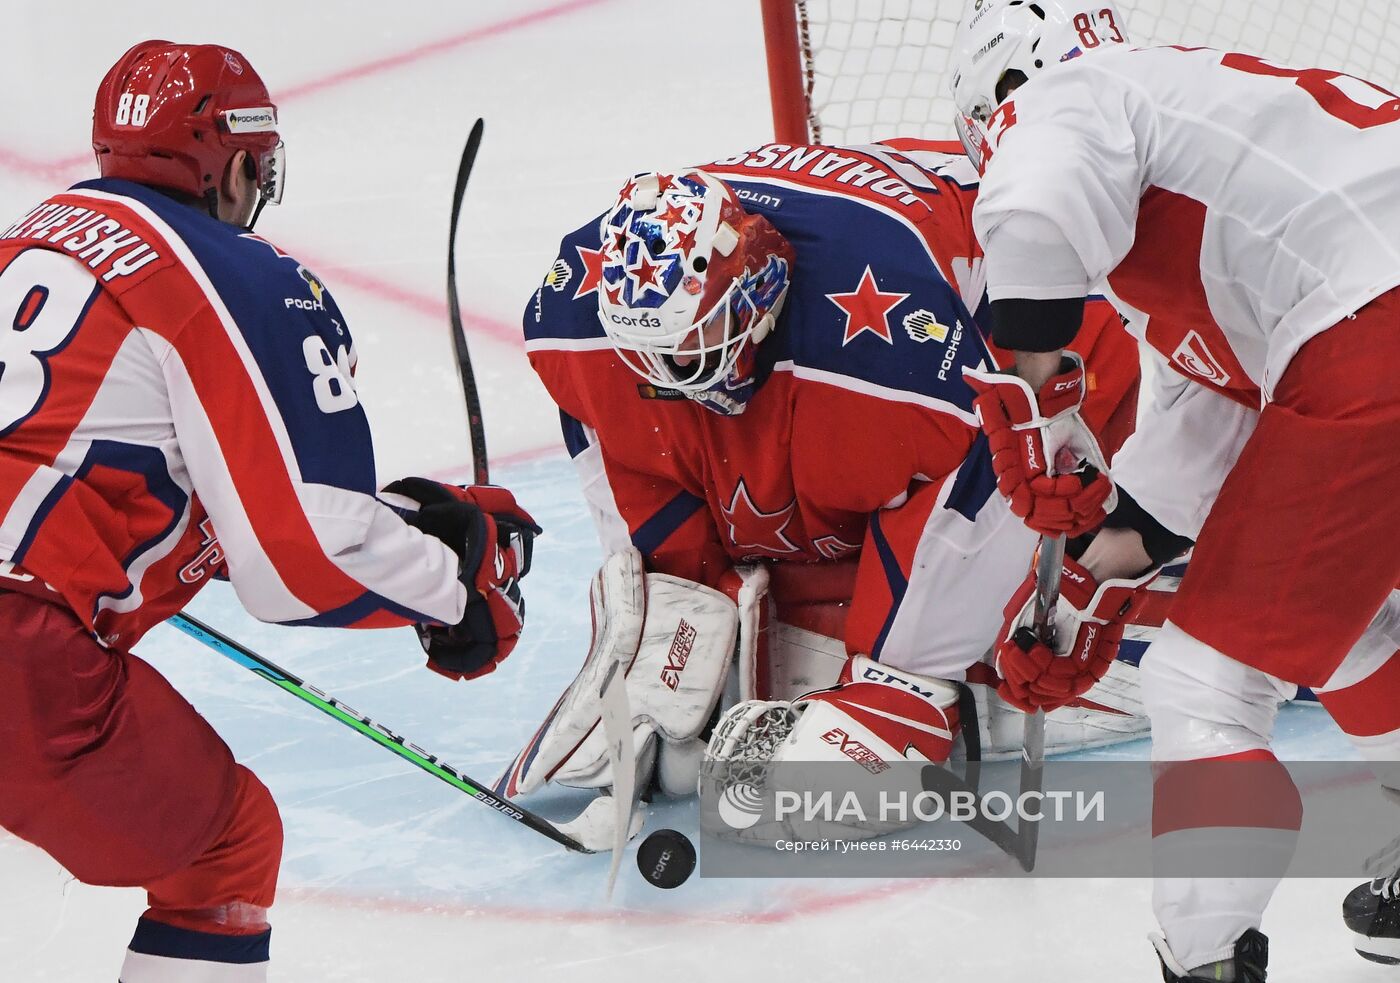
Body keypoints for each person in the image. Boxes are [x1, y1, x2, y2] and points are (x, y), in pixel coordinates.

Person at [0, 40, 538, 983]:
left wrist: (402, 524)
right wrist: (459, 587)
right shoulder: (238, 273)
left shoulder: (30, 237)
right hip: (18, 650)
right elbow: (299, 557)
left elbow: (152, 472)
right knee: (222, 847)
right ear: (238, 161)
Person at [495, 136, 1147, 824]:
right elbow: (604, 422)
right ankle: (682, 602)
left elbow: (1001, 440)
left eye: (692, 347)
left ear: (750, 288)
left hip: (1019, 289)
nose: (674, 377)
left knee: (1008, 435)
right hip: (871, 230)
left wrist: (906, 651)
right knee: (652, 409)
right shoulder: (572, 310)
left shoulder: (897, 352)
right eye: (652, 355)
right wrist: (678, 582)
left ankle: (907, 692)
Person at [949, 1, 1400, 978]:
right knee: (1345, 612)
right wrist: (1076, 608)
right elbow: (1204, 447)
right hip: (1359, 321)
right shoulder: (1214, 151)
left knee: (1202, 683)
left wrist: (1041, 406)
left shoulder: (1070, 96)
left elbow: (1029, 215)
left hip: (1373, 324)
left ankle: (1201, 957)